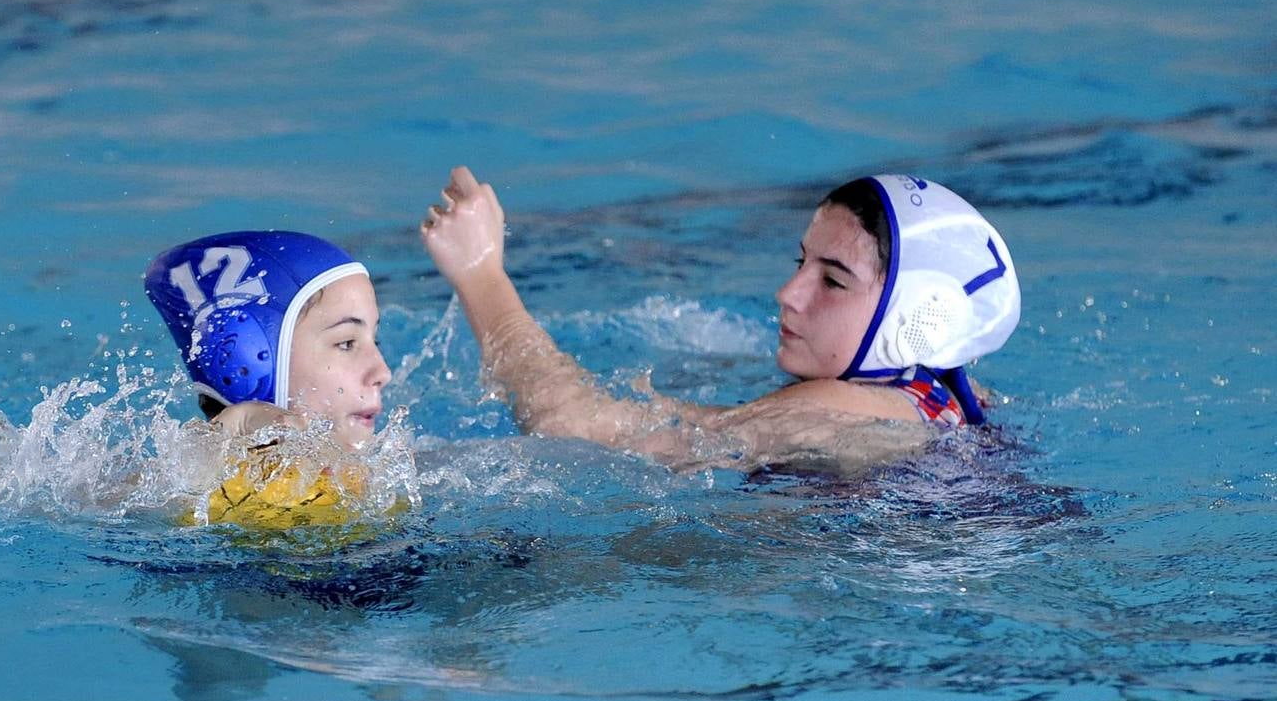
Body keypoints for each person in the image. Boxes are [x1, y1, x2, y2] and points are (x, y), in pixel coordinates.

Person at [420, 167, 1020, 473]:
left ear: (919, 320)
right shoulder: (952, 393)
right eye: (800, 262)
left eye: (832, 281)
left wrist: (481, 275)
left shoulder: (839, 410)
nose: (788, 293)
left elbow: (573, 428)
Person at [144, 231, 396, 527]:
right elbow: (105, 499)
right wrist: (231, 430)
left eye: (374, 341)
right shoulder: (192, 493)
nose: (383, 373)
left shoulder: (377, 473)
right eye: (346, 343)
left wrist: (466, 269)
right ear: (246, 360)